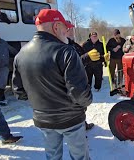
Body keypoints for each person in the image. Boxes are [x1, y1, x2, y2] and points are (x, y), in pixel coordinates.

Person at [12, 9, 92, 160]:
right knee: (80, 157)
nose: (67, 31)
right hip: (71, 119)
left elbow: (19, 92)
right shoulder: (66, 52)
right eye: (65, 27)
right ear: (56, 27)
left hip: (43, 120)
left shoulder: (21, 54)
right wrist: (86, 103)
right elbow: (80, 93)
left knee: (52, 156)